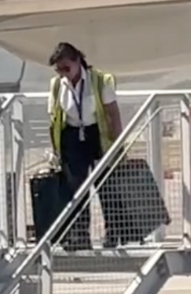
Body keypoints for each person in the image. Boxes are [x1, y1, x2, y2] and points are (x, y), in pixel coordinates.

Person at [46, 42, 124, 250]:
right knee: (76, 189)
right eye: (59, 69)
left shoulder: (99, 81)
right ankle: (80, 235)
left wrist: (117, 145)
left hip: (96, 134)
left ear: (77, 61)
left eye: (66, 68)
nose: (63, 74)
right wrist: (56, 150)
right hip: (72, 137)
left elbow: (112, 114)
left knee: (106, 187)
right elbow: (53, 119)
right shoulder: (57, 85)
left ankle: (113, 233)